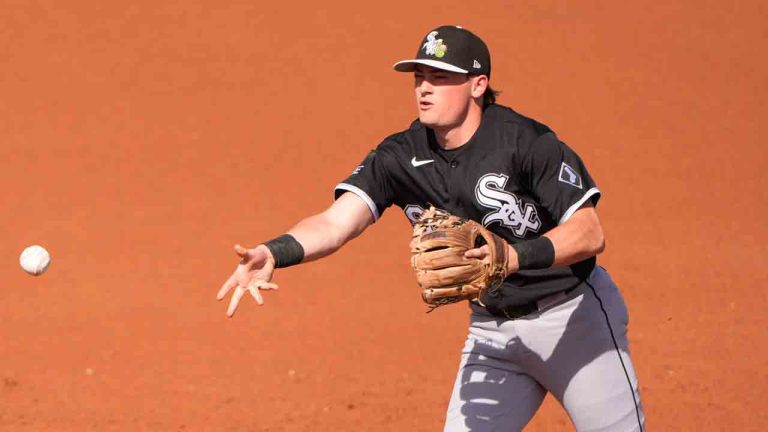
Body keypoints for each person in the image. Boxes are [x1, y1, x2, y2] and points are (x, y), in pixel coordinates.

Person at [217, 25, 645, 431]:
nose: (423, 87)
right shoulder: (399, 156)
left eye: (439, 77)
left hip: (572, 320)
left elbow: (590, 232)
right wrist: (276, 251)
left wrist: (513, 256)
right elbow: (335, 222)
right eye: (419, 76)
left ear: (478, 85)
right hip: (492, 333)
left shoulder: (526, 142)